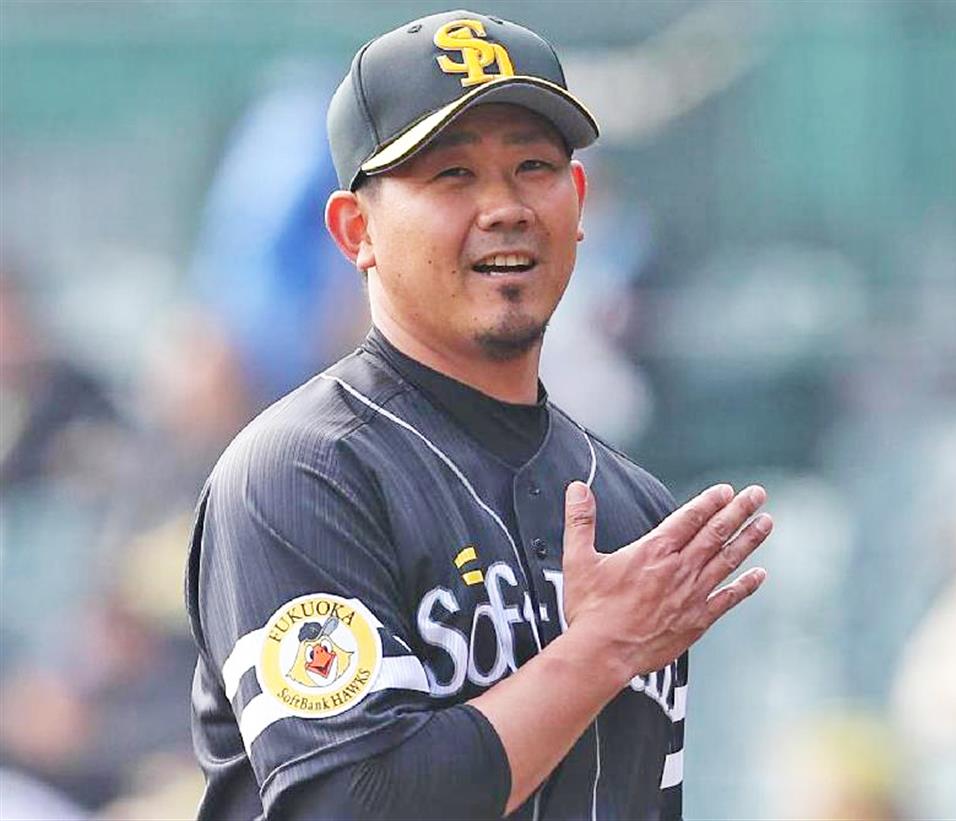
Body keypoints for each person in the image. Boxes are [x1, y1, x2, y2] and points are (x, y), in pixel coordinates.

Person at [185, 9, 772, 820]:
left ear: (579, 202)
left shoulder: (631, 506)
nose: (504, 207)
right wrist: (599, 649)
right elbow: (348, 805)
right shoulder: (301, 476)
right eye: (453, 174)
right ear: (356, 230)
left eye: (533, 166)